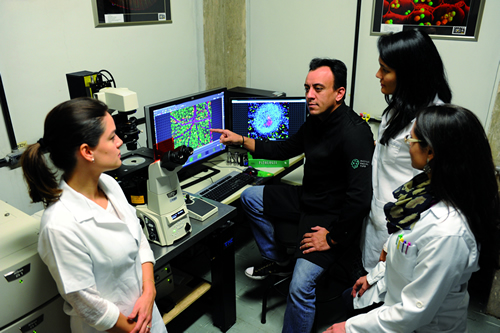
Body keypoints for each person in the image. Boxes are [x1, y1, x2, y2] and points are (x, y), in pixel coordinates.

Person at [211, 58, 374, 333]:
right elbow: (283, 149)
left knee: (299, 288)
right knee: (250, 196)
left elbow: (359, 199)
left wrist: (332, 237)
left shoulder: (355, 134)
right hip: (306, 199)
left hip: (328, 217)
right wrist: (240, 140)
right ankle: (278, 259)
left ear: (339, 93)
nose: (309, 95)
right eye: (307, 87)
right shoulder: (314, 122)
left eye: (318, 88)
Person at [324, 104, 500, 333]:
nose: (407, 141)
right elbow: (407, 250)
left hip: (420, 326)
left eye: (413, 138)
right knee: (349, 299)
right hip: (395, 298)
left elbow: (413, 312)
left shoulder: (447, 232)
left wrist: (348, 329)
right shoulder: (425, 191)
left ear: (431, 152)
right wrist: (375, 277)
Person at [21, 97, 167, 333]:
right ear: (87, 151)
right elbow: (89, 306)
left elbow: (138, 238)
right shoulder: (59, 226)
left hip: (145, 313)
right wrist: (135, 329)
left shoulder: (109, 184)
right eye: (111, 137)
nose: (120, 142)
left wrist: (149, 291)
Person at [361, 29, 452, 273]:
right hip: (380, 216)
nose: (378, 75)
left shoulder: (432, 121)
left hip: (406, 228)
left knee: (390, 293)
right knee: (370, 283)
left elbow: (436, 189)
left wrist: (393, 244)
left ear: (410, 75)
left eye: (386, 70)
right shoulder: (398, 108)